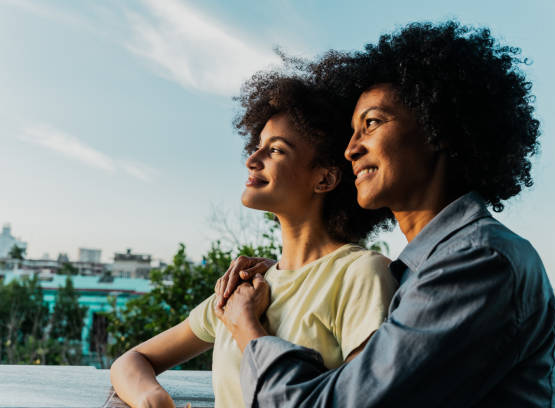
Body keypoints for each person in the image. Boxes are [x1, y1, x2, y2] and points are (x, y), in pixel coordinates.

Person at [214, 21, 555, 407]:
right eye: (352, 132)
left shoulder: (477, 262)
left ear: (438, 128)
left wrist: (246, 324)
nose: (351, 150)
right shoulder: (431, 265)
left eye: (372, 123)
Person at [109, 77, 397, 408]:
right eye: (257, 145)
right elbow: (132, 360)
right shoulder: (247, 284)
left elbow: (359, 400)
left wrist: (245, 321)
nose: (252, 159)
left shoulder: (361, 275)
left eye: (275, 149)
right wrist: (153, 399)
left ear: (325, 178)